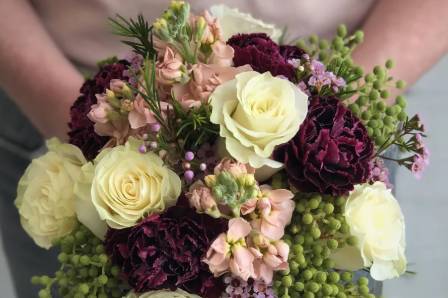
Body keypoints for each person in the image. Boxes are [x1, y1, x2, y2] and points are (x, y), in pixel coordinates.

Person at [0, 0, 447, 297]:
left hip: (333, 114)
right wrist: (81, 123)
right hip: (63, 97)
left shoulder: (328, 138)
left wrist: (321, 132)